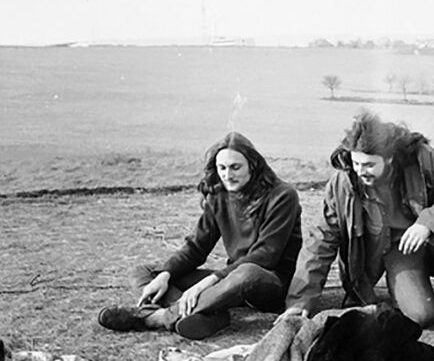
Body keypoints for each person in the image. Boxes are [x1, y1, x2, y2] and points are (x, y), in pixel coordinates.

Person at [283, 111, 434, 325]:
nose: (360, 171)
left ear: (389, 158)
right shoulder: (343, 182)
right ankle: (391, 291)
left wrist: (427, 223)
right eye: (356, 163)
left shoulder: (425, 158)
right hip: (368, 250)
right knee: (417, 316)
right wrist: (300, 301)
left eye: (369, 165)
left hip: (413, 246)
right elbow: (321, 240)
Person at [98, 132, 303, 340]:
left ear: (253, 165)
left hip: (268, 284)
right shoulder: (218, 194)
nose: (227, 175)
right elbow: (197, 247)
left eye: (235, 167)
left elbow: (266, 255)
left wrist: (207, 283)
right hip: (229, 281)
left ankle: (159, 317)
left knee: (247, 272)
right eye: (221, 168)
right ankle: (210, 315)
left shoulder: (283, 195)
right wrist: (166, 274)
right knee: (147, 272)